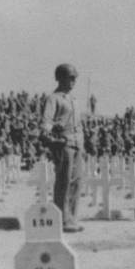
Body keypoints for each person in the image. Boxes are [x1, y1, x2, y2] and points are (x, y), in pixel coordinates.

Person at [40, 63, 84, 232]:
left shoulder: (74, 99)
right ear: (60, 78)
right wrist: (48, 136)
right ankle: (62, 219)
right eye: (70, 77)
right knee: (64, 181)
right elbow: (46, 122)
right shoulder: (53, 98)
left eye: (74, 78)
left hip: (77, 143)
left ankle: (72, 218)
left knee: (76, 182)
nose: (73, 81)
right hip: (63, 142)